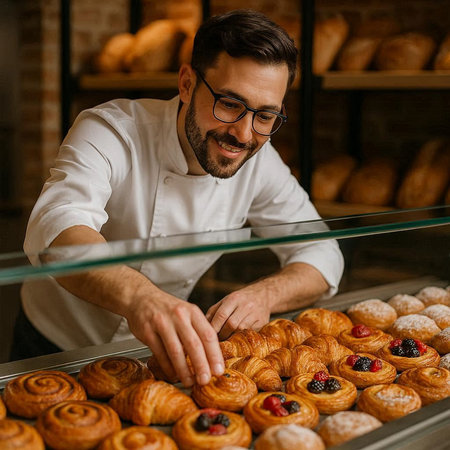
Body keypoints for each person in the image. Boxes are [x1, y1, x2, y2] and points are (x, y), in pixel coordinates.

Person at [13, 9, 344, 387]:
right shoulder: (111, 130)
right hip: (53, 347)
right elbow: (59, 227)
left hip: (151, 357)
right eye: (230, 104)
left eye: (266, 116)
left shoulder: (259, 159)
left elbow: (321, 251)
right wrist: (141, 298)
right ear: (187, 84)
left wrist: (264, 295)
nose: (243, 134)